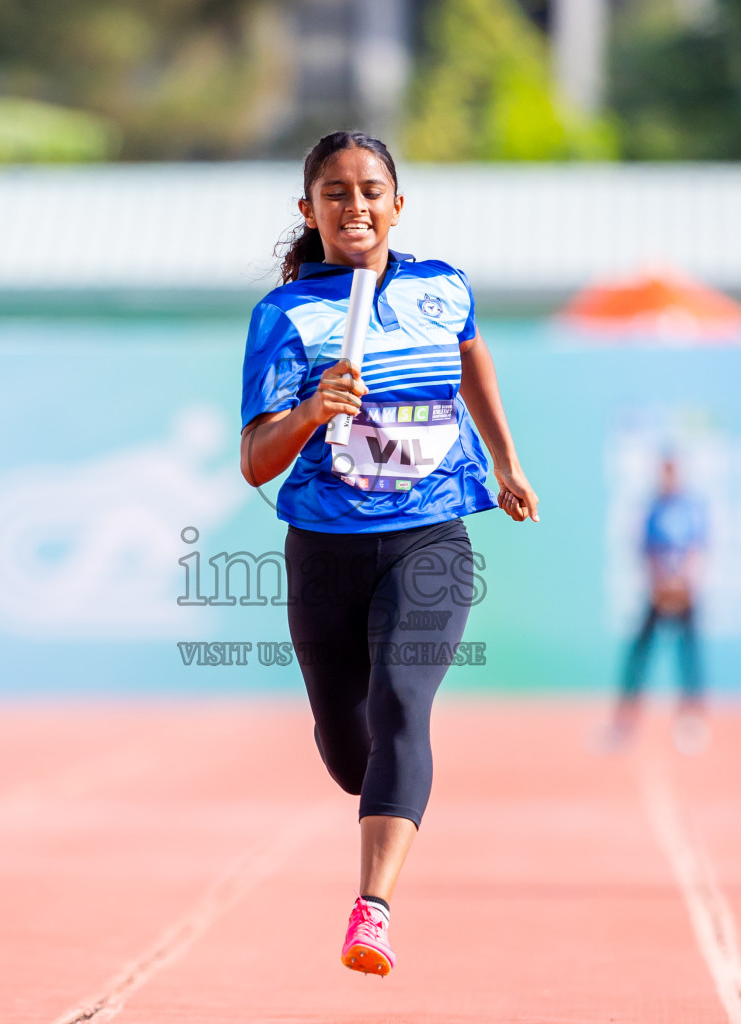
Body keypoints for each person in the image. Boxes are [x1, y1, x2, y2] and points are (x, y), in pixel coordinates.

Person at [239, 131, 539, 976]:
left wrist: (506, 459)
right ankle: (380, 794)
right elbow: (254, 458)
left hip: (432, 534)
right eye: (335, 191)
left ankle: (371, 911)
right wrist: (307, 414)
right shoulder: (285, 316)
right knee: (350, 755)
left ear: (397, 204)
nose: (356, 204)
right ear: (310, 211)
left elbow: (471, 350)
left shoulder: (442, 288)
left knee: (404, 704)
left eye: (372, 189)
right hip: (326, 548)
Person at [604, 455, 709, 755]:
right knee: (639, 654)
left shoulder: (690, 508)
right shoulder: (654, 509)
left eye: (672, 473)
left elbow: (698, 548)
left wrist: (684, 583)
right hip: (657, 591)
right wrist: (659, 586)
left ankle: (692, 721)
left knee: (689, 655)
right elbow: (646, 549)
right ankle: (625, 720)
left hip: (686, 592)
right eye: (664, 474)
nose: (668, 479)